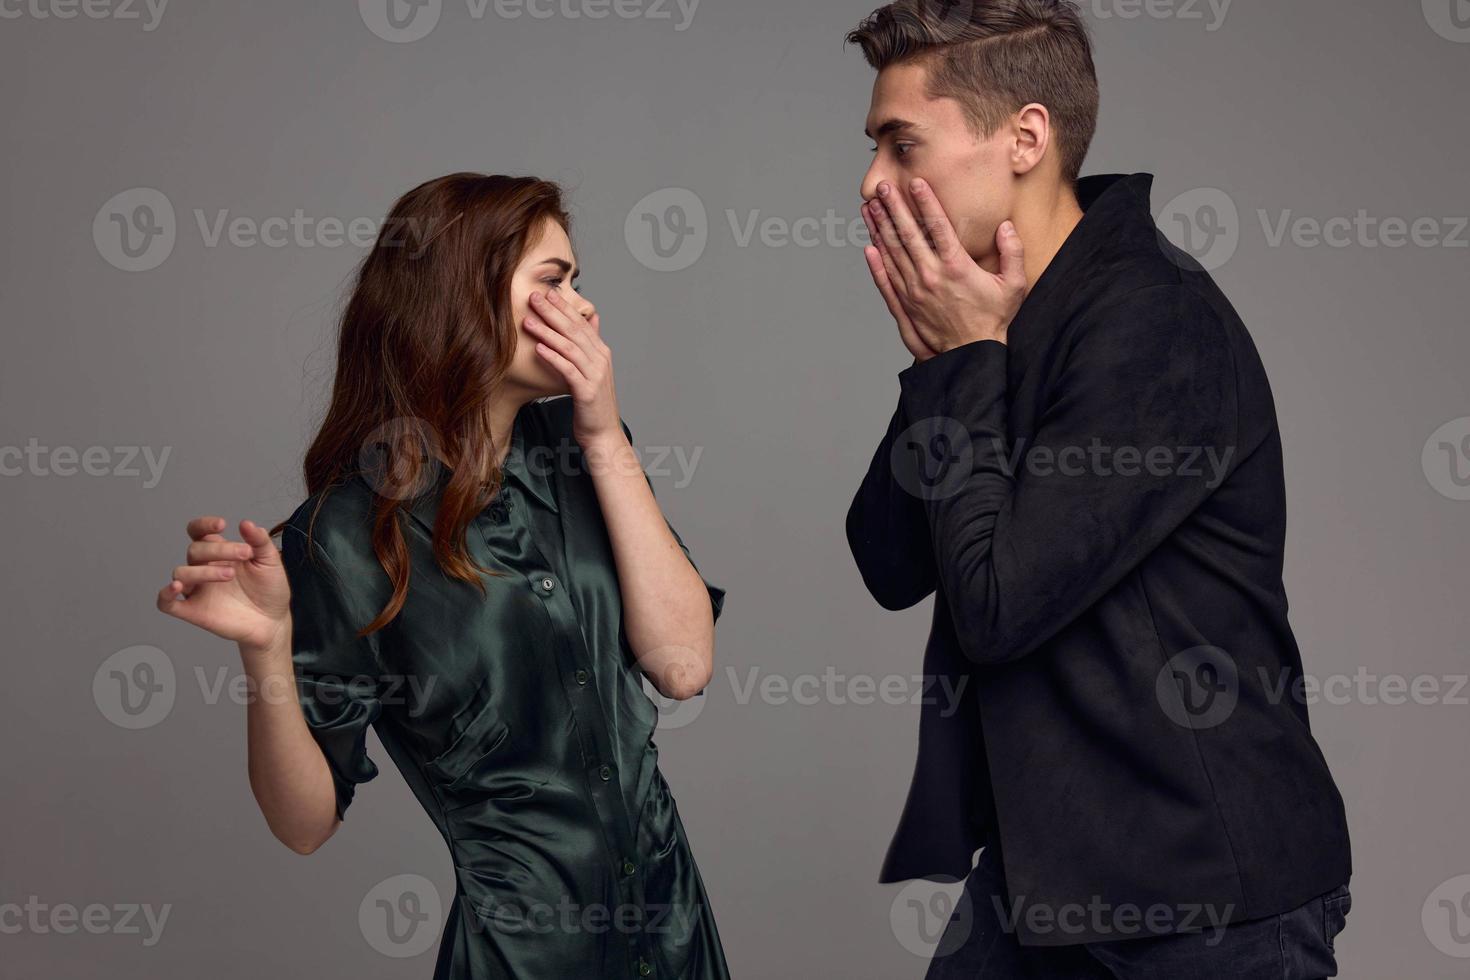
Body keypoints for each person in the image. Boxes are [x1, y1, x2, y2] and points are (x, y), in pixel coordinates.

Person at [843, 2, 1353, 976]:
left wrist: (958, 364)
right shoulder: (997, 321)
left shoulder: (1153, 322)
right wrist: (951, 363)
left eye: (901, 145)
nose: (872, 181)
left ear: (1025, 138)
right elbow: (888, 557)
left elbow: (994, 605)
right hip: (1049, 875)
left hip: (1205, 901)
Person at [155, 173, 731, 979]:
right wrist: (267, 650)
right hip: (523, 957)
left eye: (579, 281)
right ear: (463, 297)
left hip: (674, 936)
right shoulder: (345, 536)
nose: (585, 307)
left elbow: (683, 665)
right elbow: (304, 823)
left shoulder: (584, 449)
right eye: (555, 281)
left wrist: (602, 431)